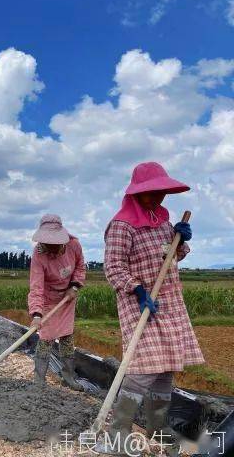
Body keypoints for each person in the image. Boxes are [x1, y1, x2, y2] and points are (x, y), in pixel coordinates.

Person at [95, 162, 203, 455]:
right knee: (143, 366)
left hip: (169, 303)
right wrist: (139, 289)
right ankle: (118, 429)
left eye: (161, 192)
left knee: (166, 366)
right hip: (139, 303)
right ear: (136, 194)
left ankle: (157, 427)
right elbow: (114, 268)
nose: (157, 198)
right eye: (151, 193)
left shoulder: (162, 219)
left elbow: (171, 258)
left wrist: (180, 240)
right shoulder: (122, 225)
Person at [27, 214, 86, 391]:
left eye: (55, 243)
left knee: (67, 338)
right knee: (45, 339)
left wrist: (74, 287)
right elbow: (36, 286)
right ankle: (39, 381)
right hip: (48, 300)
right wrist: (37, 314)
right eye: (48, 243)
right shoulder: (38, 255)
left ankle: (68, 377)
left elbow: (80, 267)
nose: (52, 246)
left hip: (67, 298)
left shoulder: (73, 245)